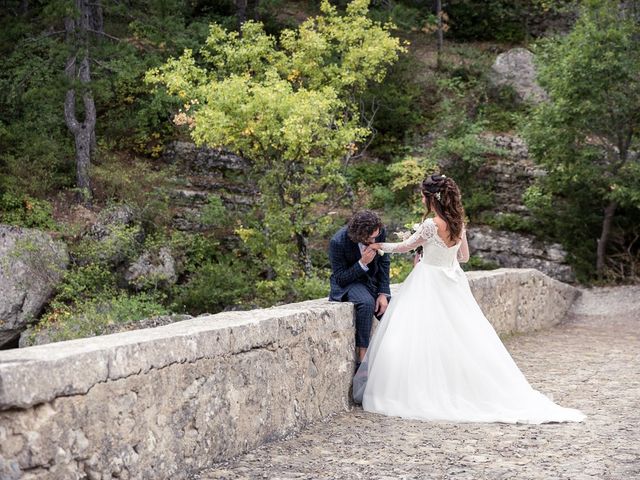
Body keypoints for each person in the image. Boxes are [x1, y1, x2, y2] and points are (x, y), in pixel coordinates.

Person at [353, 174, 586, 424]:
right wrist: (439, 254)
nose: (422, 198)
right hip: (451, 281)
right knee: (460, 336)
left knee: (418, 335)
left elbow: (404, 246)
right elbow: (463, 257)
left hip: (428, 282)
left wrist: (378, 247)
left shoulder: (431, 224)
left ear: (432, 198)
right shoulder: (458, 223)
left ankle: (424, 389)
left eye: (423, 195)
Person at [329, 210, 391, 367]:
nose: (374, 240)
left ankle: (393, 356)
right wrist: (362, 263)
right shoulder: (338, 242)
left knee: (393, 309)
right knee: (366, 303)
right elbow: (341, 278)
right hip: (349, 283)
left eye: (376, 236)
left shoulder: (378, 232)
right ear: (359, 235)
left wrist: (383, 293)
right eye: (371, 238)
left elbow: (384, 262)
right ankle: (362, 357)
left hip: (372, 280)